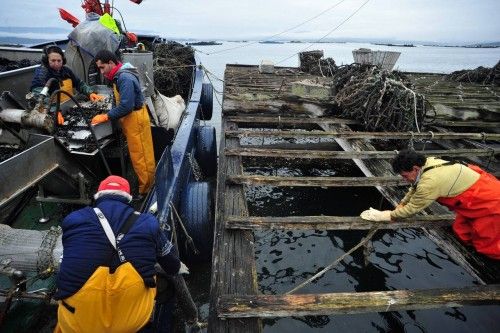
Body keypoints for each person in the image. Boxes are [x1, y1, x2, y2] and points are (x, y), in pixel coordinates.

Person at [54, 175, 188, 333]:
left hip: (78, 323)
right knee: (165, 283)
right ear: (128, 199)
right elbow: (170, 264)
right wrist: (177, 266)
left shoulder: (73, 220)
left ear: (98, 196)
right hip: (131, 322)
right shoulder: (148, 222)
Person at [360, 149, 500, 259]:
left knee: (487, 246)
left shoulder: (429, 183)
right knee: (462, 231)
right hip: (475, 192)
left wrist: (388, 215)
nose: (404, 179)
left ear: (415, 168)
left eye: (404, 176)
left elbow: (412, 209)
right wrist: (402, 203)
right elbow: (415, 187)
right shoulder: (427, 163)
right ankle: (474, 247)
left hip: (490, 201)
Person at [92, 49, 156, 196]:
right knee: (140, 154)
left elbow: (126, 106)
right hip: (132, 119)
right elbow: (120, 101)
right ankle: (147, 183)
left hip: (136, 119)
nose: (101, 72)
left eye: (102, 67)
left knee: (141, 157)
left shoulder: (124, 78)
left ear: (111, 63)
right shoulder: (118, 75)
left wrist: (106, 116)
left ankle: (146, 190)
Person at [30, 45, 104, 124]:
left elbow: (79, 83)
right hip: (53, 114)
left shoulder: (66, 71)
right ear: (47, 60)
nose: (57, 63)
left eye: (59, 61)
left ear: (63, 60)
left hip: (70, 108)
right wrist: (54, 111)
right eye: (53, 60)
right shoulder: (42, 74)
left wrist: (89, 92)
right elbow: (39, 94)